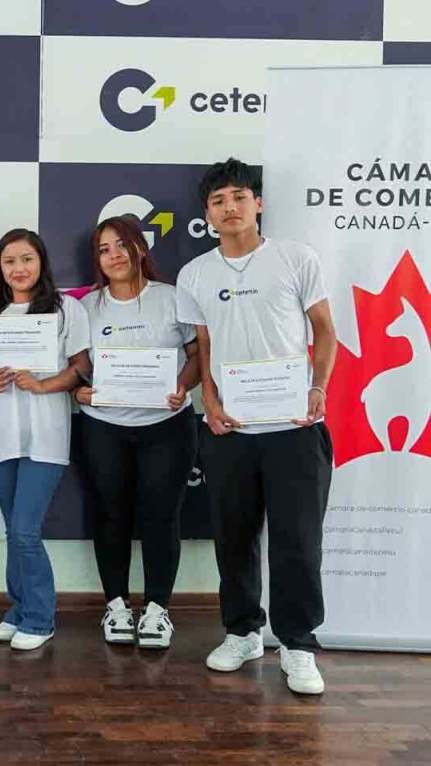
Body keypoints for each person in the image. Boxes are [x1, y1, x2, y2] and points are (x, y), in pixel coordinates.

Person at [175, 158, 336, 694]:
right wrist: (210, 402)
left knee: (297, 540)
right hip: (229, 431)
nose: (230, 207)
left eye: (239, 197)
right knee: (234, 538)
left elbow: (325, 332)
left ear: (258, 203)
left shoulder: (295, 258)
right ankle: (243, 631)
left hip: (294, 425)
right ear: (207, 213)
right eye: (218, 201)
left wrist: (317, 390)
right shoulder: (195, 274)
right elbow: (204, 348)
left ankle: (297, 644)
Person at [74, 216, 200, 650]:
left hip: (167, 426)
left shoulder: (172, 298)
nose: (114, 255)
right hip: (103, 428)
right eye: (104, 249)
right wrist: (80, 391)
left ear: (140, 248)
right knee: (110, 516)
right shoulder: (87, 307)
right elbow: (76, 366)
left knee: (162, 517)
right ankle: (115, 605)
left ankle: (157, 610)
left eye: (121, 245)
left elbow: (198, 352)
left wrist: (184, 384)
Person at [0, 229, 90, 651]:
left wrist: (46, 386)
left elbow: (81, 365)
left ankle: (41, 617)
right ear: (0, 268)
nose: (19, 269)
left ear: (41, 262)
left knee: (26, 530)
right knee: (13, 530)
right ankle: (19, 608)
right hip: (0, 432)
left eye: (26, 259)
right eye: (9, 262)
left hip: (45, 434)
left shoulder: (66, 309)